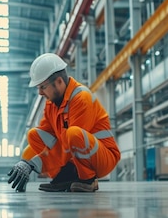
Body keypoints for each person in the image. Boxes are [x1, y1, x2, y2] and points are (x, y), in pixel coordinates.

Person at [7, 53, 121, 192]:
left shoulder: (81, 98)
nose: (40, 93)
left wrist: (33, 164)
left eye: (42, 87)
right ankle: (63, 178)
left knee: (73, 134)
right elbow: (50, 141)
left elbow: (68, 147)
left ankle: (87, 180)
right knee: (33, 135)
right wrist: (25, 160)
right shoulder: (51, 105)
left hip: (102, 158)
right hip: (74, 155)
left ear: (59, 82)